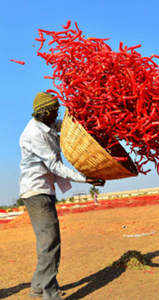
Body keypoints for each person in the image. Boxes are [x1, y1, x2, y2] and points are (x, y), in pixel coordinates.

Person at [19, 92, 105, 300]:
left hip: (44, 190)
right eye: (55, 111)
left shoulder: (46, 125)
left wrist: (84, 113)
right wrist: (85, 178)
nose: (57, 115)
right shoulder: (33, 134)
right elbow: (55, 166)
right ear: (46, 112)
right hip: (36, 192)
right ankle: (49, 294)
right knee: (50, 242)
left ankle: (39, 288)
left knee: (48, 241)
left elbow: (65, 126)